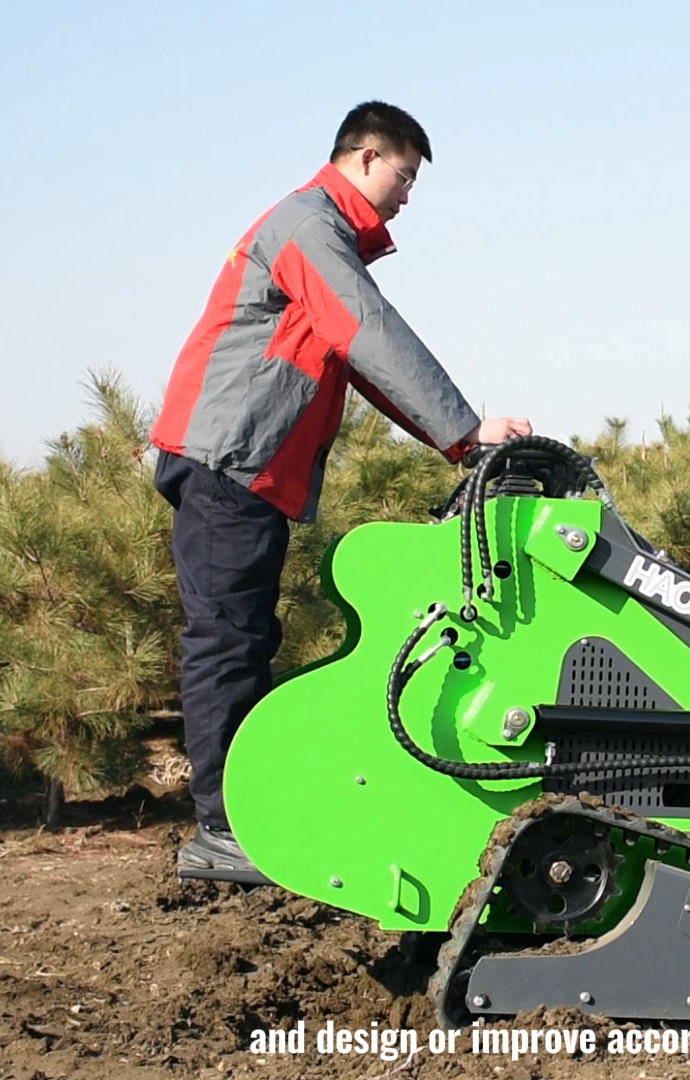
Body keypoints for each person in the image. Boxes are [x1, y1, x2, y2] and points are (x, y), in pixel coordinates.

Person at [149, 101, 533, 882]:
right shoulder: (307, 227)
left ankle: (245, 816)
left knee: (246, 638)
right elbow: (369, 330)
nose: (406, 196)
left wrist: (456, 440)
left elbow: (360, 360)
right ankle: (226, 830)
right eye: (404, 175)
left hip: (245, 468)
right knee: (227, 641)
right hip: (229, 464)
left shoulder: (317, 235)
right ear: (363, 158)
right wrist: (467, 428)